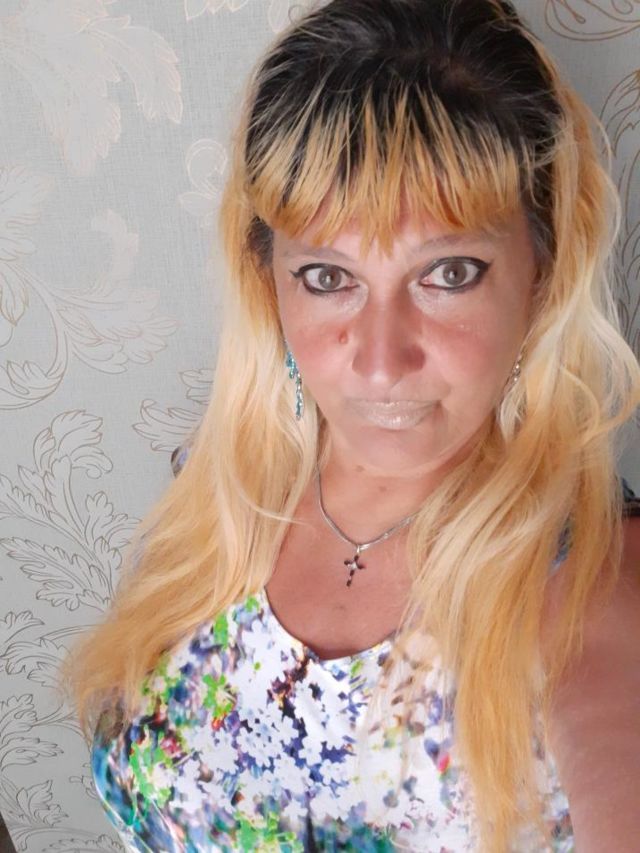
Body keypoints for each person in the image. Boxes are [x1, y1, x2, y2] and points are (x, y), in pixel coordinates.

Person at [61, 0, 640, 850]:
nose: (378, 361)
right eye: (329, 277)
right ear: (268, 278)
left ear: (542, 273)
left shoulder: (594, 585)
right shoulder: (218, 494)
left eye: (449, 272)